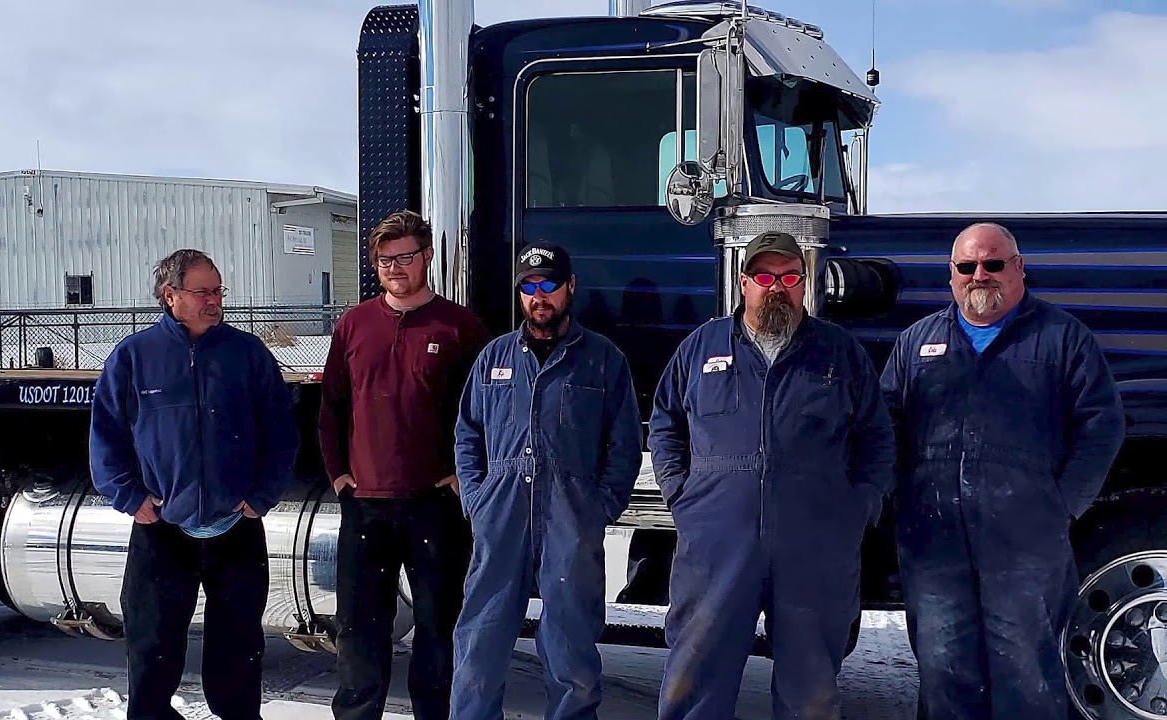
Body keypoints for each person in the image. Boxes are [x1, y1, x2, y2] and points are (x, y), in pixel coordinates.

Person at [880, 222, 1125, 719]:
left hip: (1026, 544)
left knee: (1027, 676)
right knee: (944, 671)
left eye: (993, 264)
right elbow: (884, 427)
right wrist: (897, 498)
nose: (979, 275)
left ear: (1019, 269)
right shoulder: (916, 343)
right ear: (950, 276)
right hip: (934, 542)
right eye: (967, 266)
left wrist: (1061, 505)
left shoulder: (1061, 338)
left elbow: (1103, 425)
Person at [648, 230, 895, 720]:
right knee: (695, 678)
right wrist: (682, 493)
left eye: (788, 276)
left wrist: (859, 507)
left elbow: (877, 438)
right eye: (764, 275)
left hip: (814, 549)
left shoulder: (838, 353)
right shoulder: (703, 347)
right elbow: (665, 421)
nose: (775, 286)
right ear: (744, 282)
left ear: (804, 283)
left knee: (811, 691)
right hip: (717, 545)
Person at [90, 248, 299, 720]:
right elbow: (107, 437)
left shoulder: (247, 354)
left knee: (239, 654)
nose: (214, 300)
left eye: (218, 290)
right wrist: (131, 497)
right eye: (202, 291)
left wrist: (260, 498)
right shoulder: (134, 357)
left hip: (236, 530)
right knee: (152, 651)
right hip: (162, 531)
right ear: (170, 295)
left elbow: (281, 434)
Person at [449, 241, 643, 720]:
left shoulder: (602, 360)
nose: (540, 296)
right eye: (529, 287)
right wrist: (477, 499)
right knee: (480, 639)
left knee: (571, 645)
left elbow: (624, 446)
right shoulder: (494, 358)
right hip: (502, 516)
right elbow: (467, 433)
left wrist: (599, 510)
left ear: (570, 287)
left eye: (549, 285)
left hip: (569, 521)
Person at [318, 210, 491, 720]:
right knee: (359, 628)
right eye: (385, 259)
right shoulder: (354, 323)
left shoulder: (460, 326)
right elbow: (331, 405)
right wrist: (338, 474)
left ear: (428, 256)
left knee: (440, 626)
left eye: (405, 257)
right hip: (365, 504)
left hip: (434, 505)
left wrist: (465, 477)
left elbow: (486, 410)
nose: (394, 267)